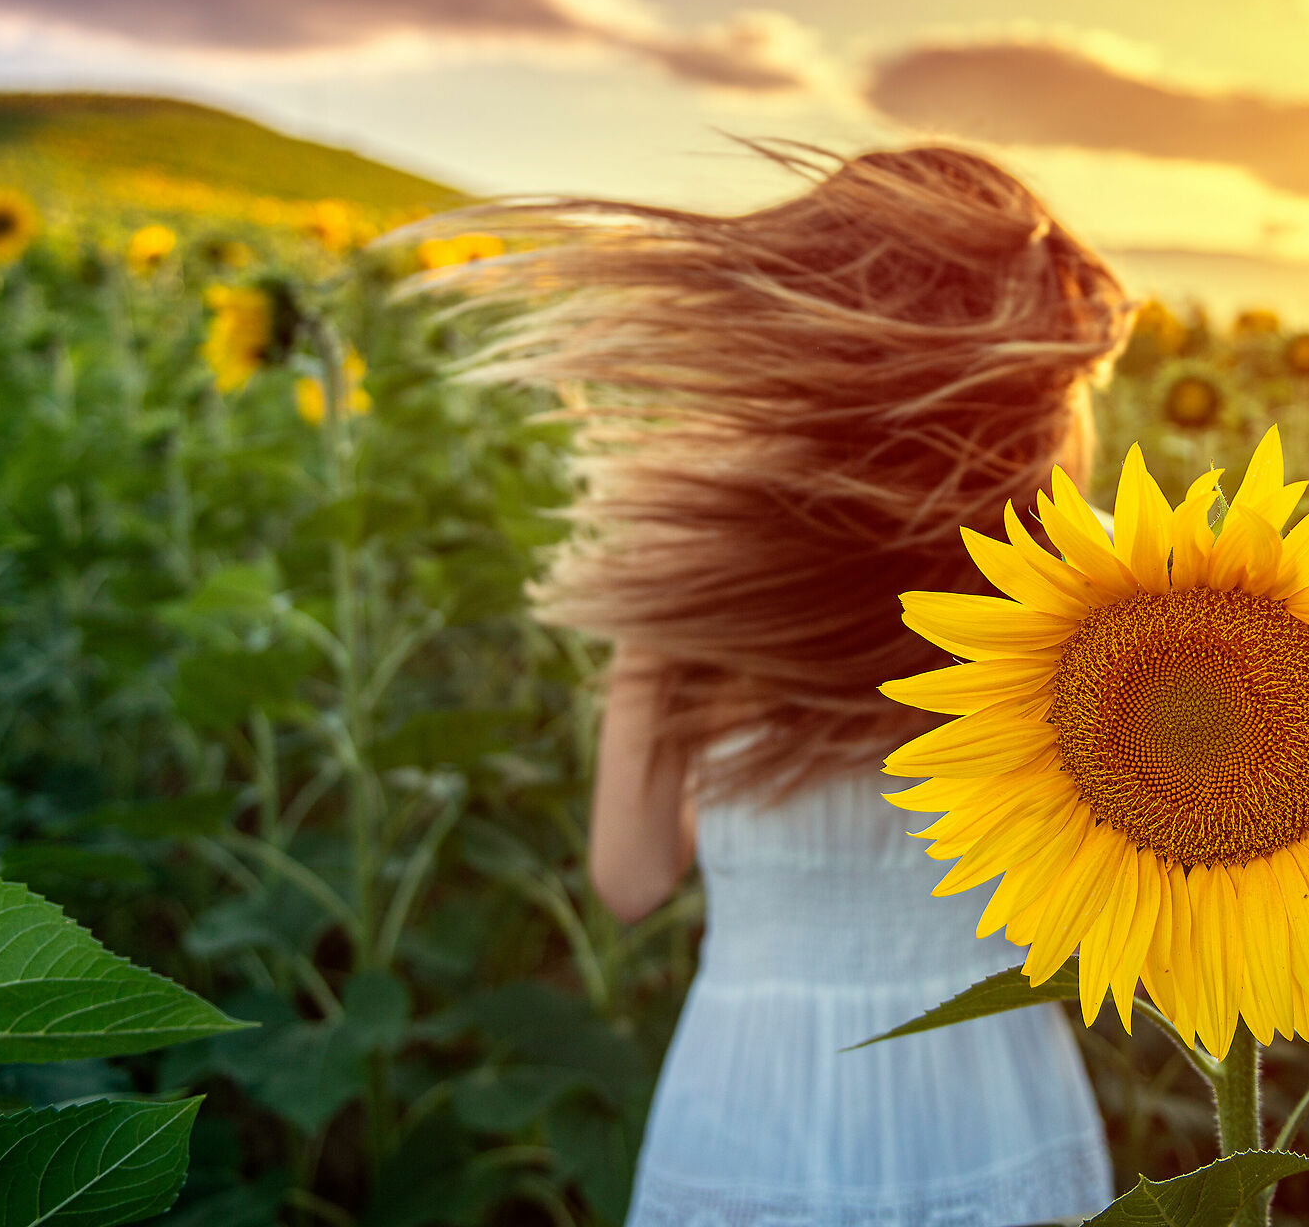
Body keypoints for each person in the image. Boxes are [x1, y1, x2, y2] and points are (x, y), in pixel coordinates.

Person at [449, 145, 1129, 1226]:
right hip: (990, 1088)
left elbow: (631, 876)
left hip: (751, 1092)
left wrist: (657, 624)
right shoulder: (1091, 576)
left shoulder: (699, 556)